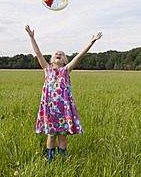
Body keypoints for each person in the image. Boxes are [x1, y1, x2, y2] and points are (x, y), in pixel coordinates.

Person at [25, 25, 102, 164]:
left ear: (65, 61)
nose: (58, 54)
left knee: (62, 136)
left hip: (63, 111)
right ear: (51, 59)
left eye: (61, 54)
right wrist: (31, 37)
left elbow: (78, 57)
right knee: (51, 136)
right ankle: (50, 160)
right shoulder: (47, 70)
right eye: (56, 53)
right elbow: (38, 53)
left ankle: (61, 160)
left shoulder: (65, 71)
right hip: (50, 111)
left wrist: (91, 42)